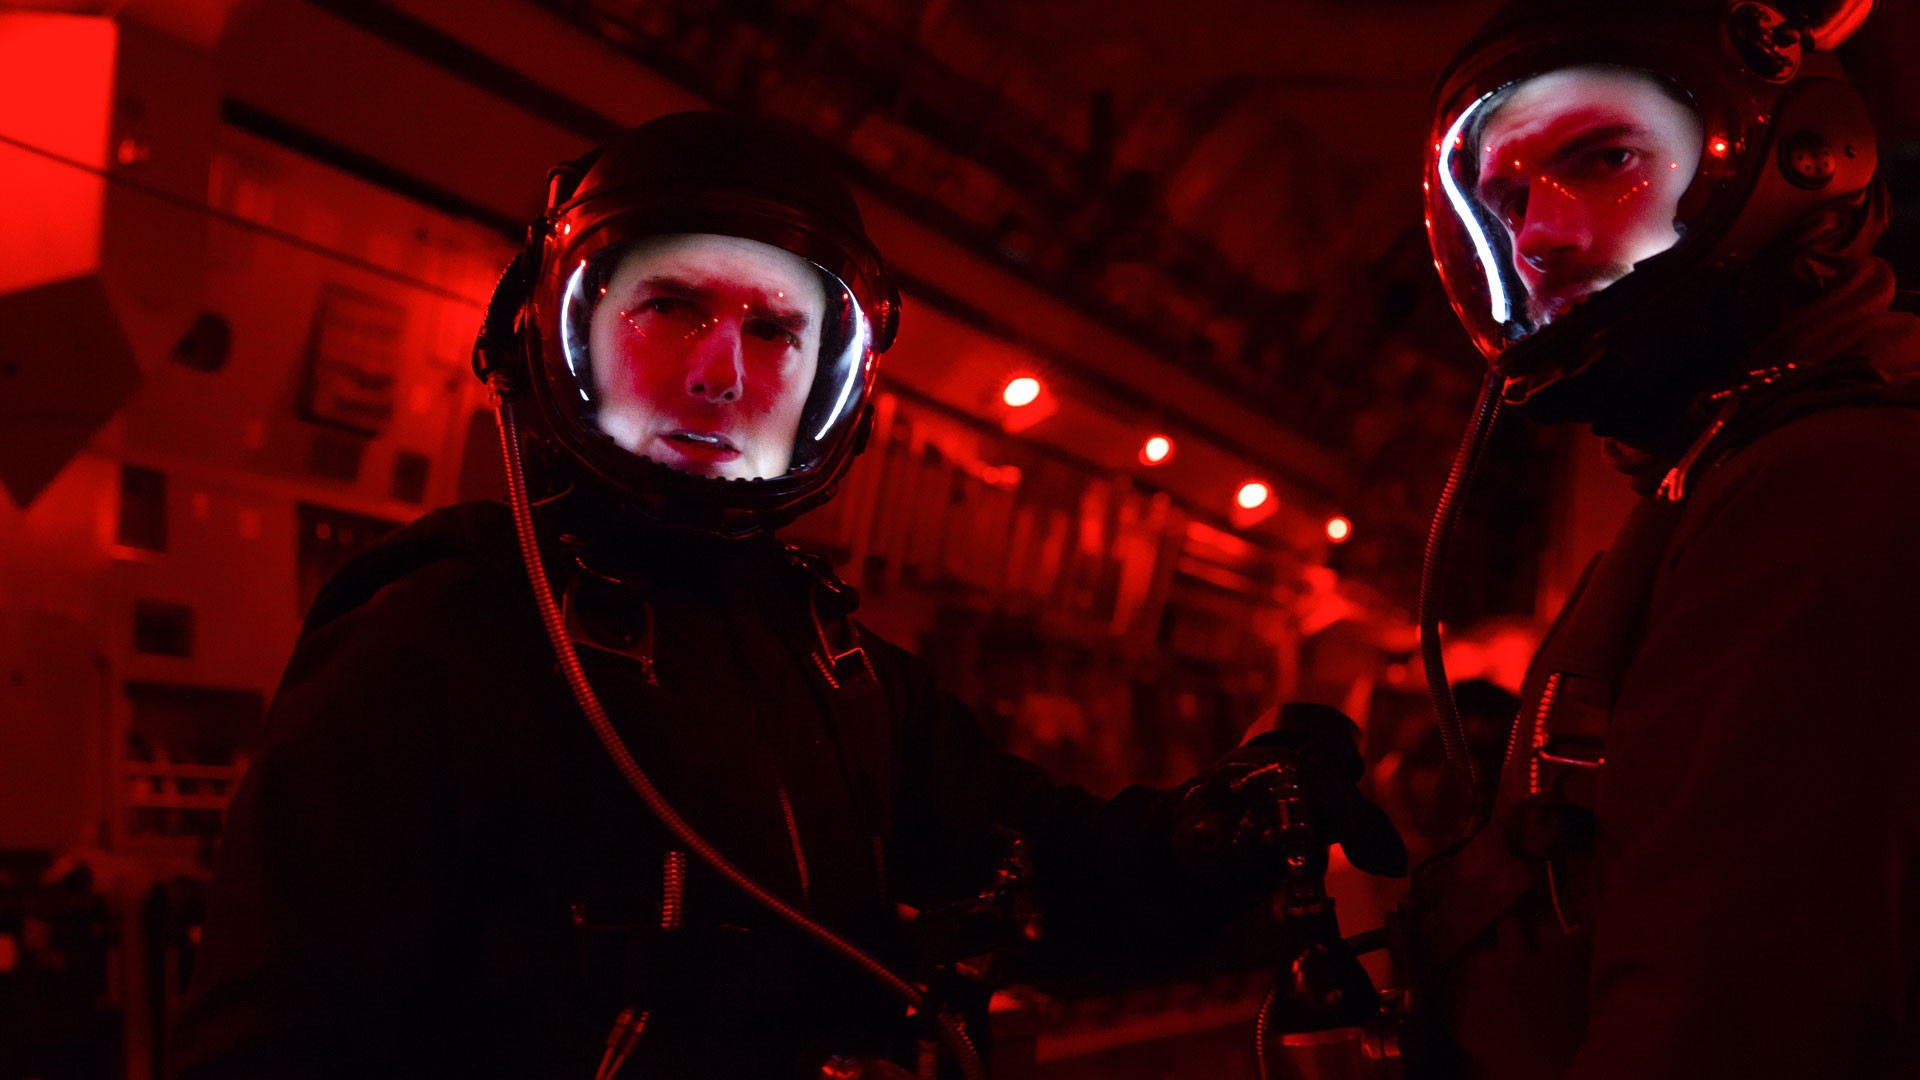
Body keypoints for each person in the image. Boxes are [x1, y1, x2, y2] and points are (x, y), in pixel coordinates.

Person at [166, 111, 1405, 1079]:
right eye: (671, 307)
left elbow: (1058, 877)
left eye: (774, 331)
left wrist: (1219, 825)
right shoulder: (434, 648)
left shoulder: (838, 670)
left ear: (831, 381)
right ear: (554, 329)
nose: (720, 372)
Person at [1410, 0, 1920, 1076]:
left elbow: (1729, 1019)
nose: (1535, 239)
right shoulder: (1723, 473)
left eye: (1605, 159)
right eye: (1507, 202)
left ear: (1811, 158)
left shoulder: (1826, 488)